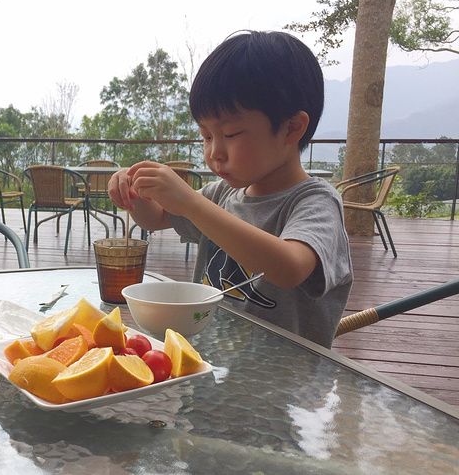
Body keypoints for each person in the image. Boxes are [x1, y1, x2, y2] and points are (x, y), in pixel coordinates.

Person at [107, 31, 353, 349]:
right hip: (211, 364)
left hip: (286, 385)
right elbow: (154, 219)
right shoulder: (222, 195)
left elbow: (289, 268)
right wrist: (134, 192)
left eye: (231, 134)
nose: (214, 153)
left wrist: (190, 201)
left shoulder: (314, 202)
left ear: (292, 127)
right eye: (206, 136)